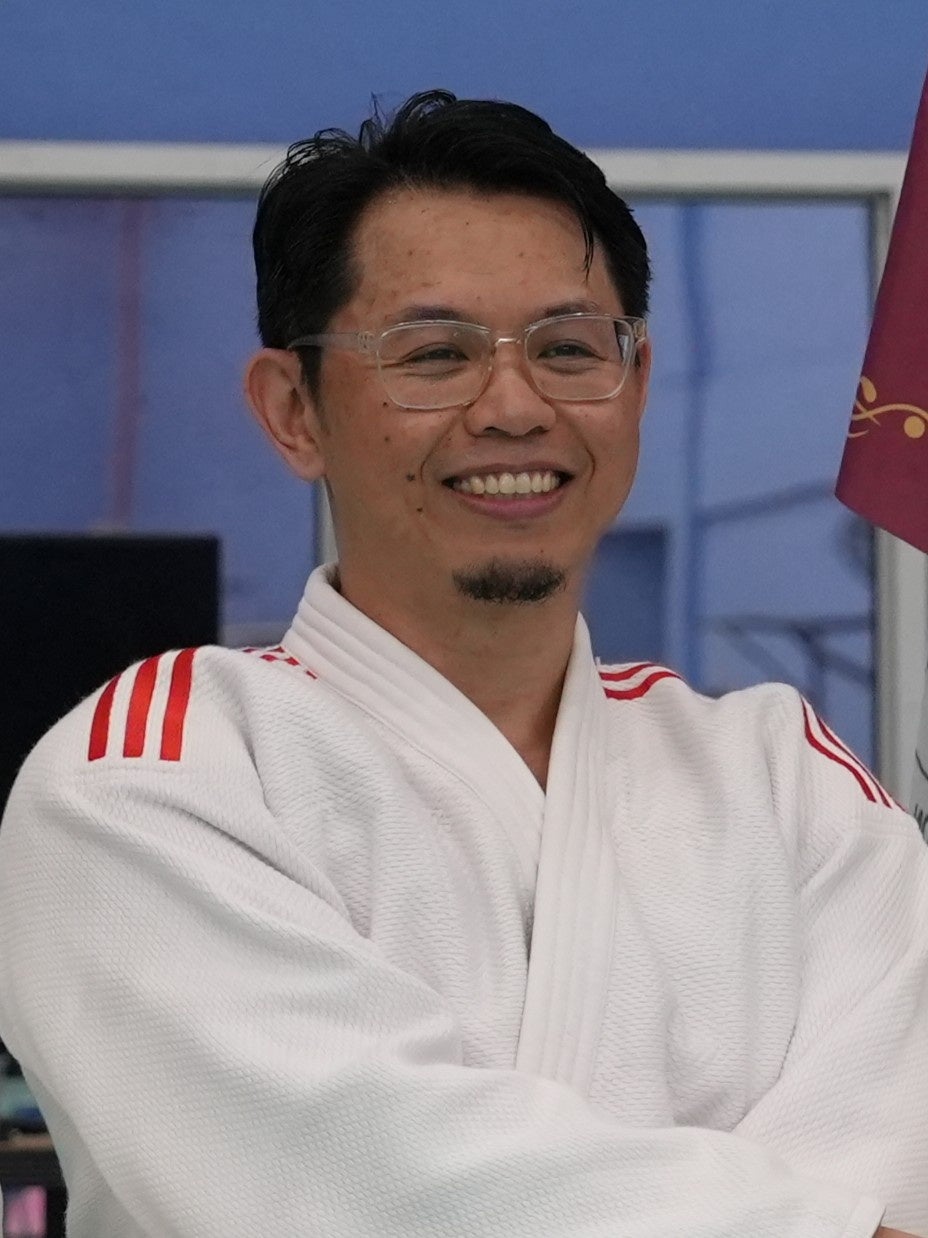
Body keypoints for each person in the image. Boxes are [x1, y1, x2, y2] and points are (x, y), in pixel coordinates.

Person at [0, 90, 925, 1238]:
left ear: (636, 384)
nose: (514, 407)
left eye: (569, 348)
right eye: (433, 353)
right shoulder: (153, 778)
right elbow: (368, 1185)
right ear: (293, 410)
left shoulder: (787, 786)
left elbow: (891, 1161)